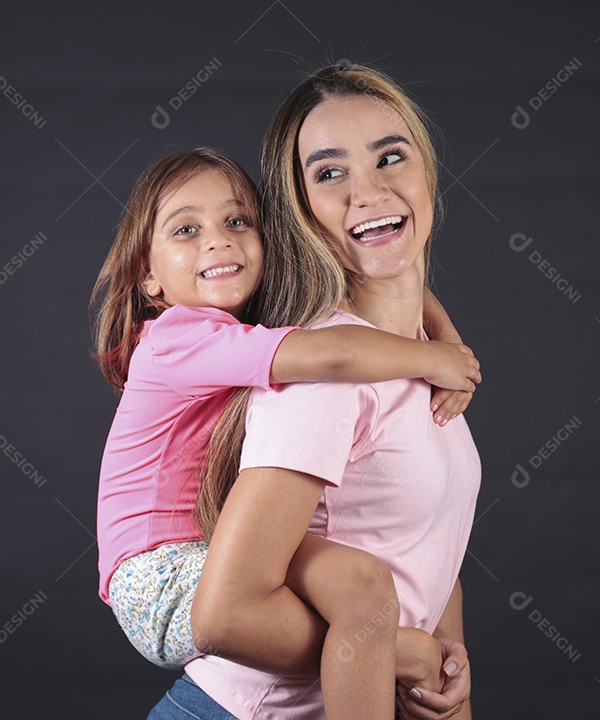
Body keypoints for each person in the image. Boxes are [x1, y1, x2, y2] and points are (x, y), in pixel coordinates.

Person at [90, 147, 480, 719]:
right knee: (359, 585)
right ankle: (404, 653)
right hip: (157, 571)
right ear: (149, 277)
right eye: (186, 230)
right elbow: (334, 355)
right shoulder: (177, 336)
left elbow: (404, 285)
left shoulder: (240, 334)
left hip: (195, 554)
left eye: (237, 221)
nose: (218, 242)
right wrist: (435, 358)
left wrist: (445, 338)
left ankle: (402, 652)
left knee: (360, 588)